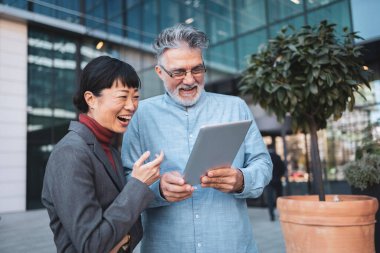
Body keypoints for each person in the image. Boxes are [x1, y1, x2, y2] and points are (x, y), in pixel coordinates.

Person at [121, 24, 272, 253]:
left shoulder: (236, 107)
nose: (190, 80)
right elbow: (125, 180)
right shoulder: (139, 116)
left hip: (231, 245)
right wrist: (158, 189)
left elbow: (263, 164)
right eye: (178, 72)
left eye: (197, 69)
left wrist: (241, 179)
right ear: (160, 72)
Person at [41, 56, 164, 253]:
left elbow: (135, 230)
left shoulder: (109, 149)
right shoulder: (71, 153)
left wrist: (122, 241)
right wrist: (138, 185)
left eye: (136, 97)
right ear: (91, 99)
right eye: (122, 96)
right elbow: (93, 245)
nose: (132, 106)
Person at [266, 145, 286, 221]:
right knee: (279, 198)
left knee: (270, 199)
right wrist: (279, 176)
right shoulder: (277, 157)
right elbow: (283, 168)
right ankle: (281, 214)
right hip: (277, 180)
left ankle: (272, 216)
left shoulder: (266, 158)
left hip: (269, 181)